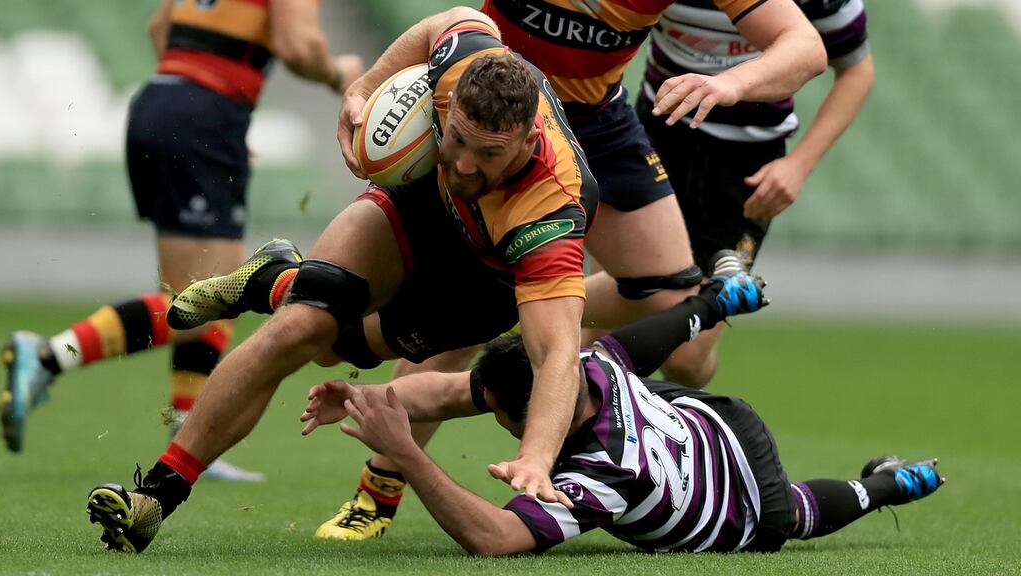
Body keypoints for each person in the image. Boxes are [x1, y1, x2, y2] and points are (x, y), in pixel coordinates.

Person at [84, 7, 601, 553]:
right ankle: (155, 498)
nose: (467, 165)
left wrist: (537, 460)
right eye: (458, 140)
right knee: (300, 329)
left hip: (478, 281)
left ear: (526, 141)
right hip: (422, 204)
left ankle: (274, 278)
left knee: (337, 349)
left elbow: (556, 356)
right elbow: (445, 21)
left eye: (489, 154)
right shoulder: (467, 61)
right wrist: (364, 86)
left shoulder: (551, 215)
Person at [318, 0, 827, 541]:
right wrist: (370, 83)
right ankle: (378, 492)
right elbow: (446, 25)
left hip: (594, 121)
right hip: (495, 127)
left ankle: (527, 311)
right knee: (468, 322)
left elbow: (807, 47)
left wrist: (730, 84)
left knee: (688, 344)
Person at [300, 255, 944, 556]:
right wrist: (362, 397)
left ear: (534, 417)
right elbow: (443, 390)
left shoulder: (607, 471)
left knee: (790, 516)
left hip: (733, 487)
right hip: (699, 415)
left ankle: (886, 485)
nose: (483, 415)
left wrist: (408, 456)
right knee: (631, 348)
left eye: (497, 415)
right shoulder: (582, 368)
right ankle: (725, 297)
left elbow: (495, 539)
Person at [0, 0, 364, 481]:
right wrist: (339, 73)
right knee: (225, 290)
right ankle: (48, 356)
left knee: (199, 290)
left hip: (159, 102)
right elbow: (300, 47)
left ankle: (184, 426)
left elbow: (158, 27)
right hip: (204, 112)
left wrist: (201, 113)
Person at [637, 0, 874, 290]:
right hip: (657, 134)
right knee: (631, 289)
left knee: (706, 309)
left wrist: (799, 165)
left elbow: (857, 71)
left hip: (749, 159)